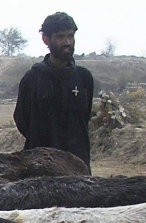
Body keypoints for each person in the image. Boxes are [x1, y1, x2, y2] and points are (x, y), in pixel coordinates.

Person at [13, 11, 95, 170]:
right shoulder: (32, 79)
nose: (67, 42)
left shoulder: (84, 78)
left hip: (78, 162)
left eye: (70, 36)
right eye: (60, 37)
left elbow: (85, 117)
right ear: (46, 39)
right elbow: (22, 120)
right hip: (41, 165)